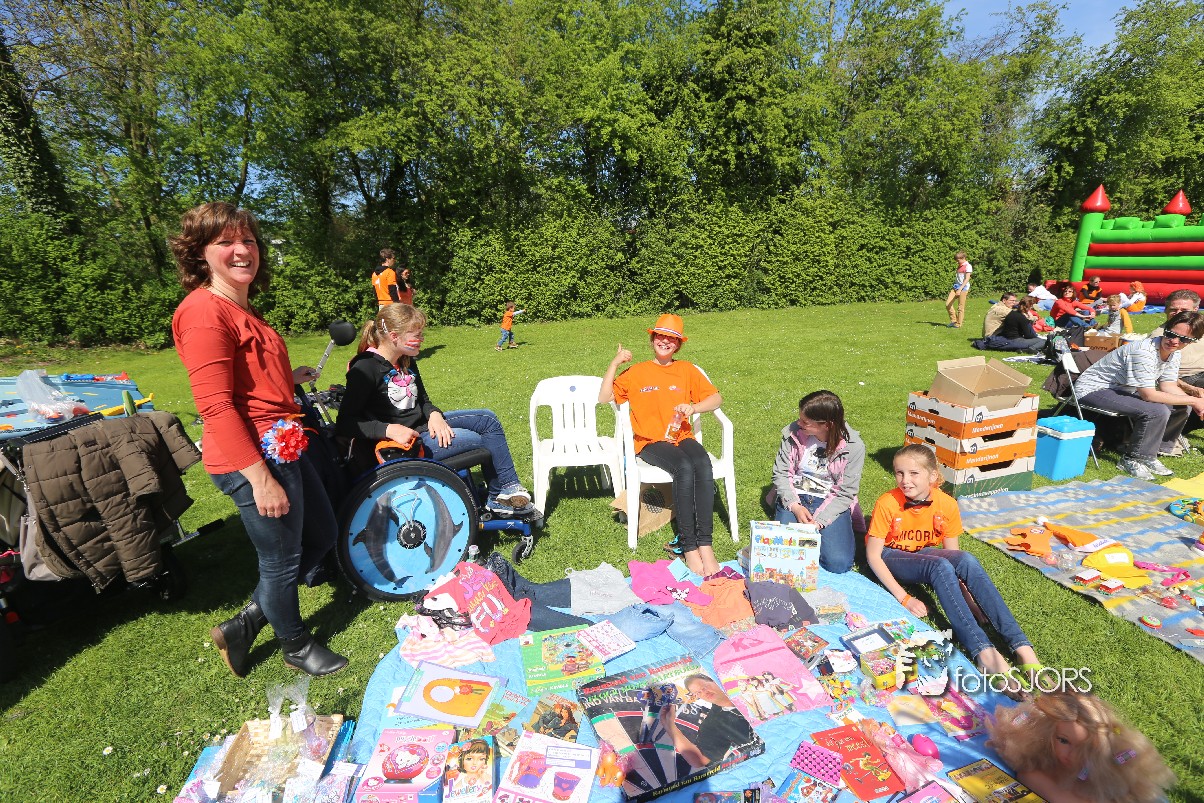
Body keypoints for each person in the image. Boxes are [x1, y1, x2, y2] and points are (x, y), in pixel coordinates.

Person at [170, 202, 347, 678]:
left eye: (247, 240)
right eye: (225, 242)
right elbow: (216, 406)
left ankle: (245, 624)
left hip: (283, 441)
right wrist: (260, 479)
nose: (241, 250)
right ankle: (295, 644)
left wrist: (287, 378)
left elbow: (248, 380)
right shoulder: (204, 312)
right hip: (250, 457)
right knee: (282, 559)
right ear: (200, 253)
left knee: (323, 535)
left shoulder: (241, 306)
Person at [866, 444, 1042, 698]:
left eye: (913, 473)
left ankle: (1022, 647)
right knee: (939, 566)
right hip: (891, 555)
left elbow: (955, 558)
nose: (905, 480)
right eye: (899, 473)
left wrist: (969, 599)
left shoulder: (946, 504)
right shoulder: (888, 502)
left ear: (933, 476)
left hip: (923, 552)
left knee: (966, 559)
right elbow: (873, 556)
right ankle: (984, 652)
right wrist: (905, 598)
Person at [337, 303, 538, 517]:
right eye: (417, 335)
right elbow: (345, 422)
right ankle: (499, 497)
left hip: (424, 426)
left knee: (487, 420)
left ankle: (505, 491)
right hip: (406, 445)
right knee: (480, 439)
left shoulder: (405, 359)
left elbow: (423, 400)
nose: (422, 339)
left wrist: (434, 414)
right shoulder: (365, 369)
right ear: (394, 336)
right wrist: (388, 430)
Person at [599, 314, 724, 576]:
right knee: (683, 467)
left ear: (678, 345)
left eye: (672, 339)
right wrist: (615, 362)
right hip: (650, 441)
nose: (665, 342)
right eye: (660, 336)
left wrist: (693, 408)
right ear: (653, 339)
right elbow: (604, 397)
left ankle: (706, 544)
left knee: (702, 463)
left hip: (682, 436)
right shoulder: (637, 372)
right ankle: (689, 547)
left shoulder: (687, 369)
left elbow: (716, 399)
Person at [1074, 311, 1204, 477]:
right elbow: (1148, 395)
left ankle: (1154, 452)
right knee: (1156, 411)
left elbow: (1168, 385)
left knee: (1181, 406)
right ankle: (1132, 459)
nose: (1174, 341)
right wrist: (1193, 400)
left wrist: (1194, 403)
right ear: (1166, 329)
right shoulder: (1144, 351)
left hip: (1122, 390)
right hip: (1093, 389)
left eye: (1183, 339)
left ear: (1192, 341)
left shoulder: (1174, 353)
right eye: (1171, 334)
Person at [987, 691, 1175, 803]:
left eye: (1086, 745)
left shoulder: (1109, 768)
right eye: (1063, 741)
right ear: (1046, 733)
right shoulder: (1034, 770)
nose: (1073, 754)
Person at [770, 390, 864, 573]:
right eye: (800, 418)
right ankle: (810, 541)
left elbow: (845, 492)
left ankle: (817, 540)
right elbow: (781, 473)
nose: (799, 423)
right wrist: (795, 506)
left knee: (838, 564)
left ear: (827, 425)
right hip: (796, 496)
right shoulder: (793, 433)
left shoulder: (853, 446)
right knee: (782, 554)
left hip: (830, 500)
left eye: (805, 422)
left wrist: (819, 521)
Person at [659, 674, 758, 768]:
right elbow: (699, 760)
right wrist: (669, 725)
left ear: (714, 681)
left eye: (705, 686)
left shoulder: (745, 689)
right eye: (698, 692)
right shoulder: (713, 724)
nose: (704, 692)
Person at [944, 251, 972, 328]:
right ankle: (954, 321)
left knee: (960, 307)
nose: (957, 262)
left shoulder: (968, 266)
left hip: (963, 288)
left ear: (963, 258)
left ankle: (959, 324)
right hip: (956, 287)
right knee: (948, 304)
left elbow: (967, 279)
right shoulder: (959, 265)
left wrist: (960, 289)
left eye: (958, 260)